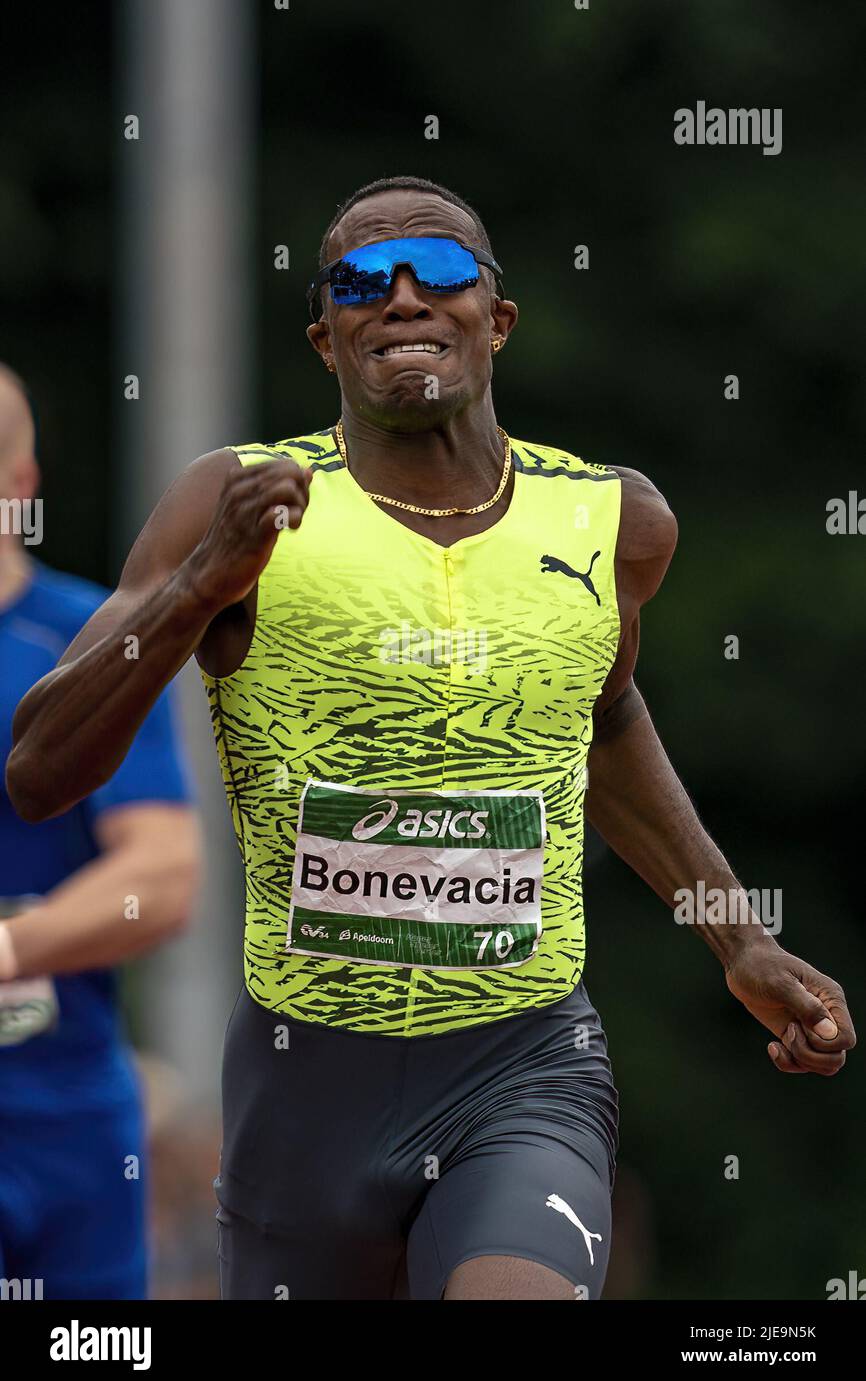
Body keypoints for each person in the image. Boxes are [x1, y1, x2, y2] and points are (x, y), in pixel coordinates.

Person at [5, 177, 855, 1302]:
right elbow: (36, 771)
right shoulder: (239, 502)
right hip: (304, 1076)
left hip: (522, 1057)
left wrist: (733, 934)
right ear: (327, 337)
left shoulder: (611, 520)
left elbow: (603, 718)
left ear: (493, 318)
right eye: (361, 280)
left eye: (439, 271)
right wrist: (199, 588)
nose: (401, 296)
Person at [0, 365, 201, 1299]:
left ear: (21, 484)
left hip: (67, 1126)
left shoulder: (88, 643)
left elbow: (161, 875)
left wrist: (9, 945)